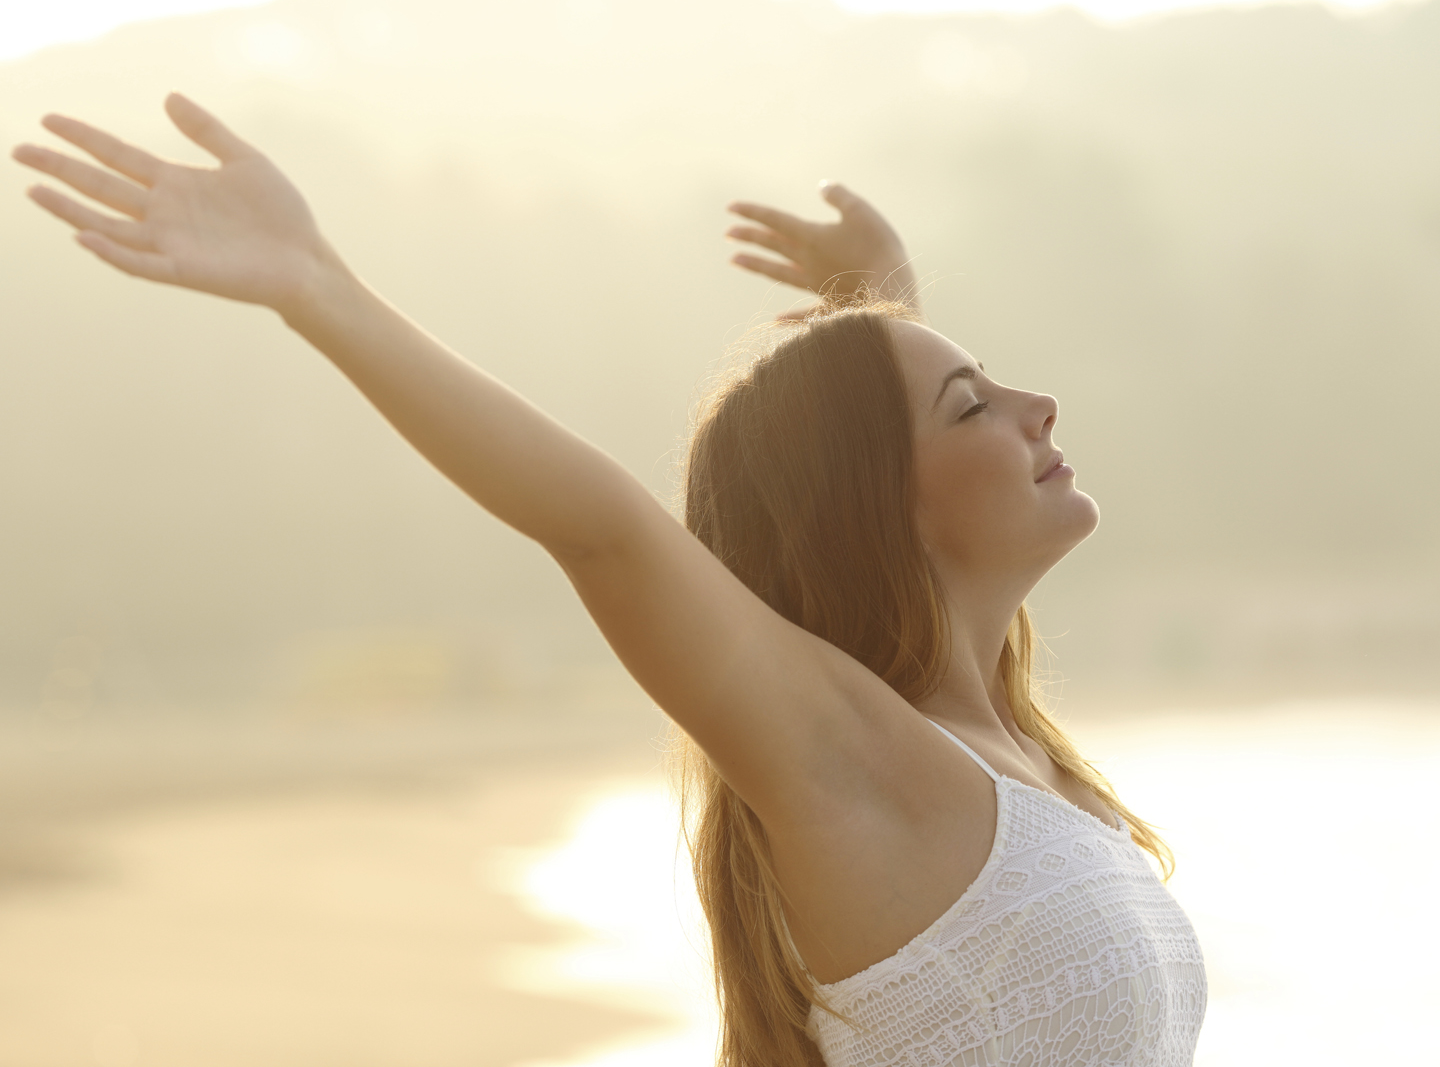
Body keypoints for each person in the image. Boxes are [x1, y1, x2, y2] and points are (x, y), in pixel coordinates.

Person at [12, 96, 1207, 1067]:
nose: (1038, 404)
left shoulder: (1002, 760)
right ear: (878, 505)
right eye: (976, 403)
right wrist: (318, 285)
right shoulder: (860, 764)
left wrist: (883, 303)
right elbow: (606, 534)